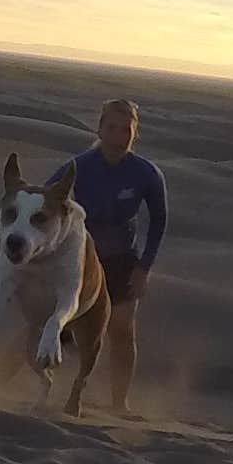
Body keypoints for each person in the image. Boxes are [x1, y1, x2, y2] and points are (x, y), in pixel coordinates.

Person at [62, 97, 166, 416]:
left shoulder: (146, 173)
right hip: (81, 260)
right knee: (54, 324)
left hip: (122, 262)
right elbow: (46, 198)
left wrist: (144, 267)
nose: (119, 136)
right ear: (100, 129)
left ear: (134, 133)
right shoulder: (80, 165)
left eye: (126, 130)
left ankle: (119, 403)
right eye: (112, 128)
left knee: (122, 330)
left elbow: (159, 220)